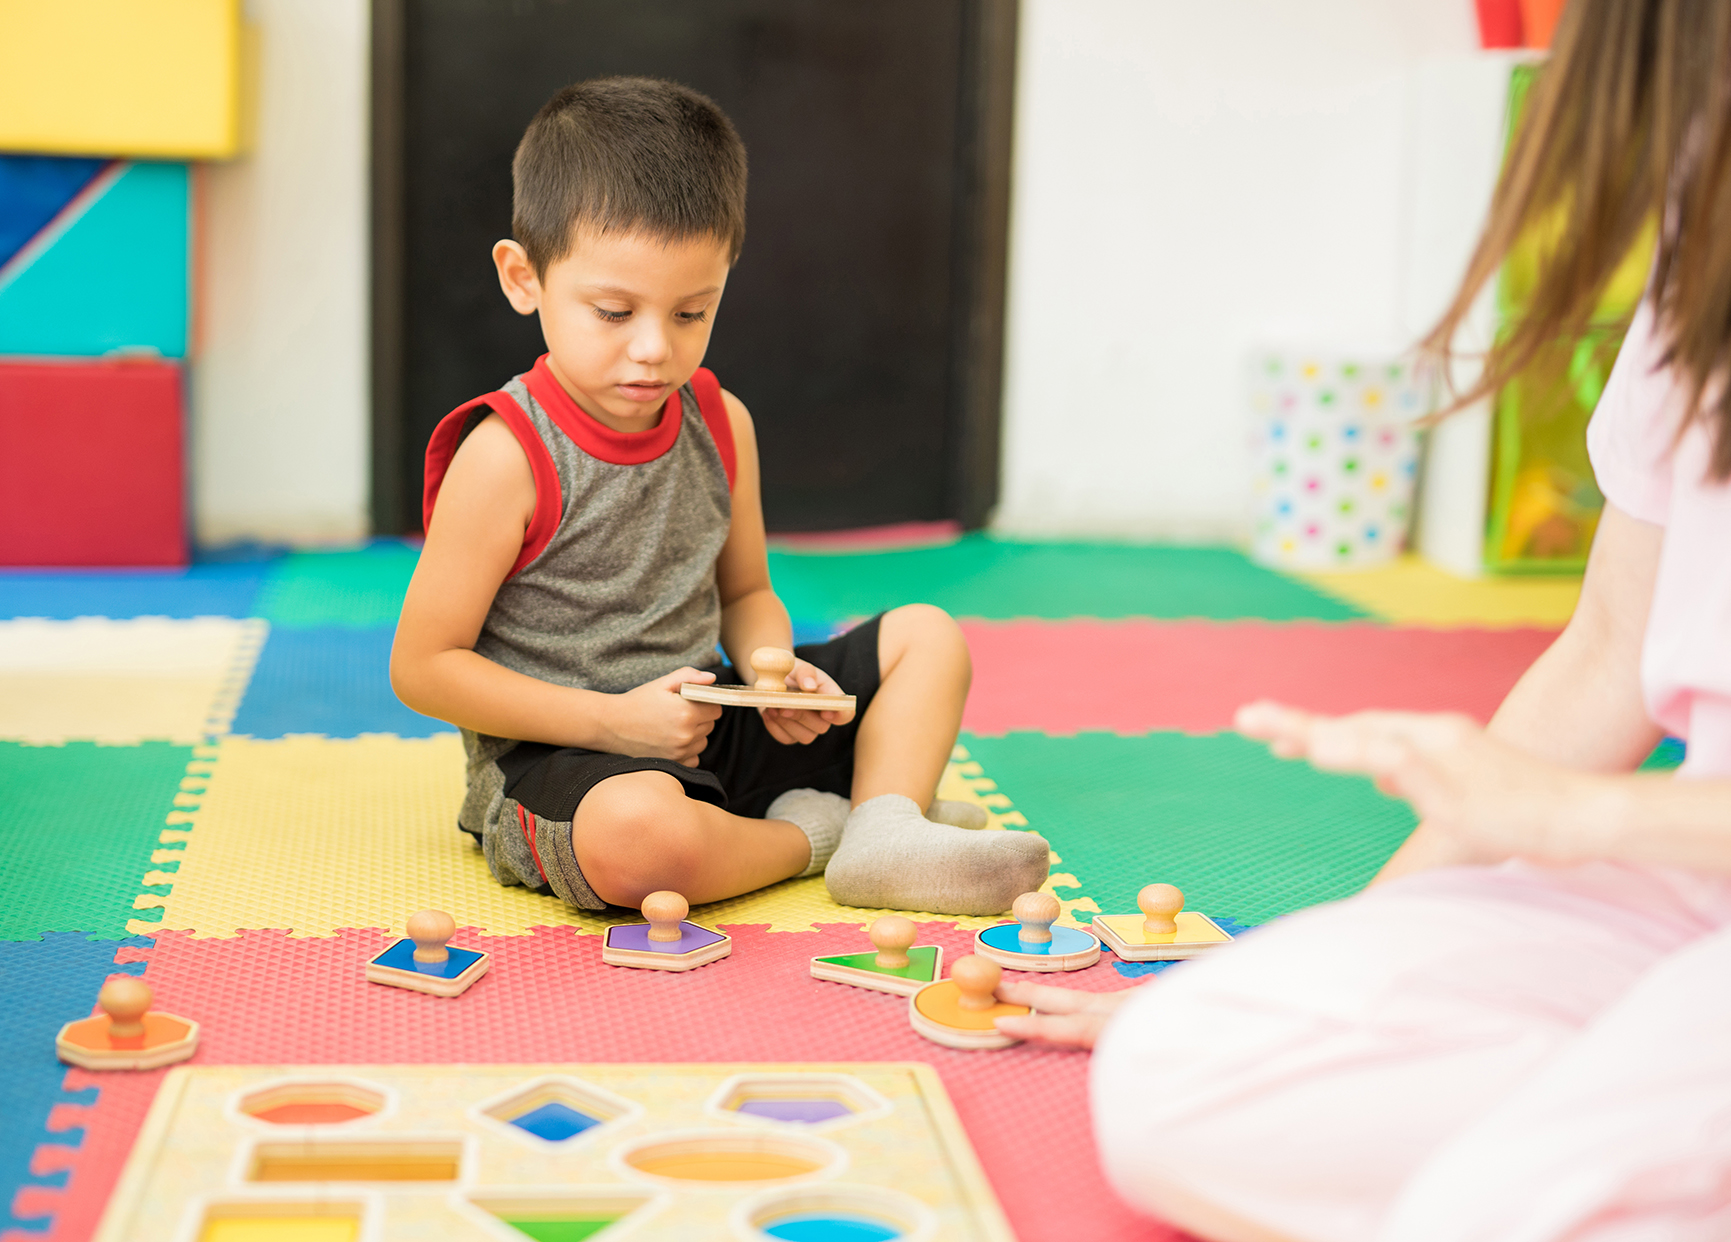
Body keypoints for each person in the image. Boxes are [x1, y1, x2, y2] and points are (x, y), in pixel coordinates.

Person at [997, 1, 1731, 1238]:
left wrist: (1585, 818)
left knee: (1500, 1206)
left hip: (1661, 853)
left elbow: (1574, 799)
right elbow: (1606, 653)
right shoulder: (1694, 293)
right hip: (1686, 885)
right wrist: (1330, 959)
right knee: (1180, 1075)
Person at [390, 77, 1049, 918]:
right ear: (524, 278)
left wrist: (774, 674)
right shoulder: (505, 456)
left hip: (711, 718)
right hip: (567, 758)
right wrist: (613, 725)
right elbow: (422, 668)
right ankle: (828, 838)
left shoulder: (718, 419)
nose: (654, 350)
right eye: (613, 311)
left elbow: (744, 592)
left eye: (692, 312)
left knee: (927, 636)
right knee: (640, 841)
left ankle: (886, 829)